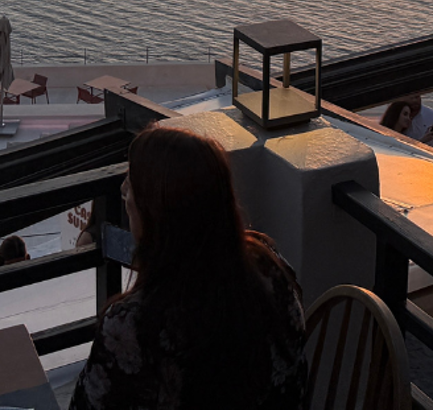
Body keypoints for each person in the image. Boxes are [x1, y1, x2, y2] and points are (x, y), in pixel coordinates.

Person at [69, 125, 306, 410]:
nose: (124, 190)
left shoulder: (133, 326)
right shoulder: (270, 267)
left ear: (155, 213)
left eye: (133, 184)